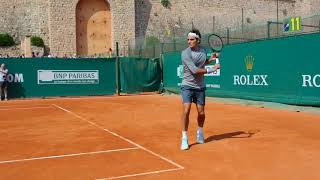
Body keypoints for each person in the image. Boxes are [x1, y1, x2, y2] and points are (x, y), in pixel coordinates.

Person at [180, 29, 220, 150]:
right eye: (188, 39)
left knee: (201, 112)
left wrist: (210, 59)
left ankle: (200, 132)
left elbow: (202, 63)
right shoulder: (185, 53)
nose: (189, 42)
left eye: (191, 39)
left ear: (198, 40)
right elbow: (195, 70)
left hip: (200, 86)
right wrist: (212, 69)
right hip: (187, 85)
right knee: (186, 110)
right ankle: (184, 138)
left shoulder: (203, 51)